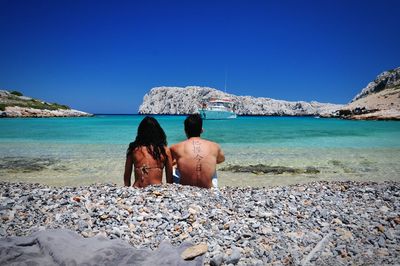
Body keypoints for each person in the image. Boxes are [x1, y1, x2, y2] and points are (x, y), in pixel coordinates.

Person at [170, 114, 225, 189]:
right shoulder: (215, 146)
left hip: (185, 189)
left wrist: (178, 163)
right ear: (202, 130)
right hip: (209, 190)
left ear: (185, 130)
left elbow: (168, 163)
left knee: (174, 166)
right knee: (212, 161)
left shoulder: (175, 147)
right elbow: (221, 160)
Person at [124, 116, 173, 188]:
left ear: (140, 132)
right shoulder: (164, 150)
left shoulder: (134, 149)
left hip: (137, 189)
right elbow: (169, 179)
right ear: (158, 132)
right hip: (157, 189)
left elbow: (127, 176)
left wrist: (127, 190)